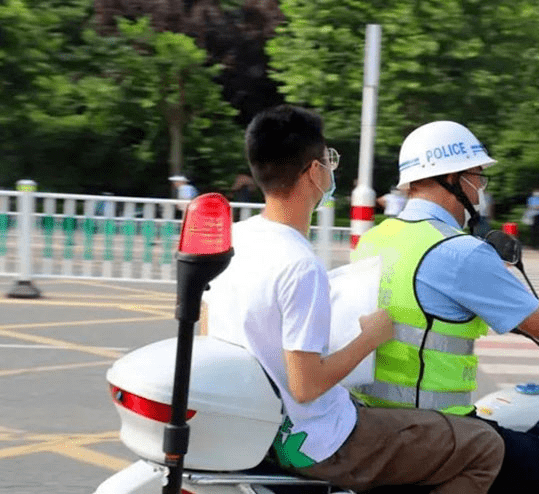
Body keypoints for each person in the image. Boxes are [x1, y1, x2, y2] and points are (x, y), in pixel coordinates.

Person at [202, 106, 504, 494]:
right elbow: (306, 387)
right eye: (329, 159)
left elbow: (209, 333)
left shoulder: (235, 239)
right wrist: (370, 339)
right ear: (314, 172)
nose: (331, 168)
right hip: (317, 442)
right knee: (483, 447)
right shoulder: (299, 264)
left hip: (257, 428)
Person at [351, 120, 539, 494]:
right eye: (477, 177)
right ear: (453, 178)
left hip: (372, 416)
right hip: (434, 425)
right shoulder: (457, 250)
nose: (479, 192)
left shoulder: (375, 238)